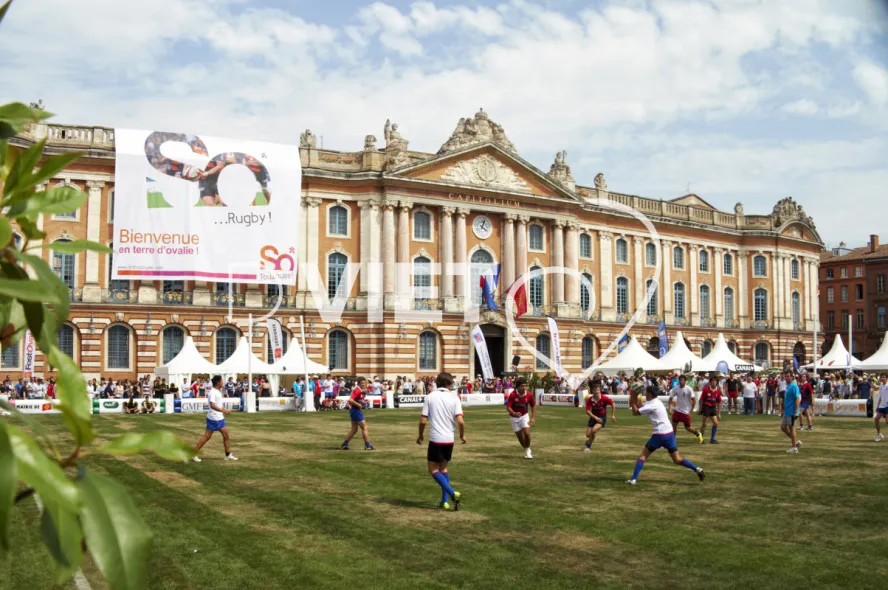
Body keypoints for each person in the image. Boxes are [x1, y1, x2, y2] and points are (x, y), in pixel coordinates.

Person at [627, 385, 705, 485]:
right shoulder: (656, 402)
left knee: (643, 456)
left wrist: (633, 396)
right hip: (669, 434)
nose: (645, 394)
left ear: (649, 394)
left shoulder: (651, 405)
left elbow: (635, 412)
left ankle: (633, 479)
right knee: (677, 459)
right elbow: (639, 407)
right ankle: (697, 469)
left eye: (646, 392)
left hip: (659, 435)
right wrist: (635, 397)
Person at [417, 372, 466, 510]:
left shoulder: (430, 397)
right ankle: (444, 501)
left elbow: (423, 420)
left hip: (436, 438)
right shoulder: (454, 398)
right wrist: (462, 436)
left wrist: (420, 435)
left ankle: (452, 493)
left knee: (432, 469)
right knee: (443, 468)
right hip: (449, 439)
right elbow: (461, 421)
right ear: (449, 384)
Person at [193, 375, 238, 462]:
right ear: (218, 382)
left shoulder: (217, 391)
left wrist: (225, 410)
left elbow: (218, 405)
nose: (223, 382)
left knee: (223, 436)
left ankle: (228, 454)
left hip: (217, 417)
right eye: (222, 381)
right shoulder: (213, 392)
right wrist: (223, 411)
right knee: (209, 436)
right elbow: (212, 405)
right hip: (215, 418)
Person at [340, 377, 375, 451]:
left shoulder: (359, 390)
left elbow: (357, 400)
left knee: (354, 430)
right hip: (356, 411)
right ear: (358, 383)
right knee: (364, 428)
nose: (363, 384)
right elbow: (350, 399)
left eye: (364, 383)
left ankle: (344, 444)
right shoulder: (357, 390)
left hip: (354, 410)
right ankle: (367, 445)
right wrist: (358, 405)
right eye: (362, 383)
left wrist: (364, 402)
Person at [506, 377, 536, 460]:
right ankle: (526, 448)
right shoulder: (512, 395)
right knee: (520, 437)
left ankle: (528, 448)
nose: (524, 388)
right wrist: (514, 413)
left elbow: (533, 406)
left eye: (525, 386)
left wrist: (533, 418)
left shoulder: (529, 395)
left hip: (524, 416)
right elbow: (508, 407)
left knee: (526, 433)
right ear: (518, 387)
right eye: (522, 386)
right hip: (514, 418)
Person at [668, 375, 703, 444]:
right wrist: (670, 408)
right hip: (677, 411)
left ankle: (698, 434)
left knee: (688, 428)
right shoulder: (675, 389)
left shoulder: (689, 389)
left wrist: (690, 412)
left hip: (686, 412)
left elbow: (694, 400)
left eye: (682, 380)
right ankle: (672, 441)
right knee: (673, 426)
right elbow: (670, 399)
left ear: (685, 381)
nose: (681, 381)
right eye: (680, 380)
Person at [584, 383, 615, 452]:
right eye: (595, 390)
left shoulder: (604, 398)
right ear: (592, 391)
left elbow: (612, 404)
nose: (597, 391)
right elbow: (587, 411)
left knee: (593, 430)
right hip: (594, 417)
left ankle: (588, 447)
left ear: (600, 390)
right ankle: (589, 441)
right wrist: (595, 418)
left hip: (602, 417)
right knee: (588, 434)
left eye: (598, 390)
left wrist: (612, 415)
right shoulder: (590, 399)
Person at [782, 372, 802, 453]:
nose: (786, 378)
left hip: (792, 411)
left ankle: (794, 448)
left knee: (791, 428)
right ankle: (796, 442)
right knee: (783, 427)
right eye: (785, 376)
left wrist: (795, 411)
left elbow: (797, 399)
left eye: (788, 376)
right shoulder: (788, 386)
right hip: (787, 411)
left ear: (792, 377)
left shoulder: (794, 386)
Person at [699, 376, 722, 444]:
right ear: (710, 382)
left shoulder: (718, 390)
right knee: (704, 424)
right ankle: (700, 439)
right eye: (712, 381)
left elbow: (719, 402)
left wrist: (719, 413)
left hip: (713, 407)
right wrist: (700, 409)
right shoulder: (706, 389)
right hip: (706, 407)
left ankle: (712, 439)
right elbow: (701, 399)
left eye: (715, 381)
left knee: (715, 423)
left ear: (717, 382)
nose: (714, 382)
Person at [875, 374, 888, 442]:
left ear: (886, 378)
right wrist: (878, 405)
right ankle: (879, 434)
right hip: (882, 405)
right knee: (876, 419)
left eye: (883, 377)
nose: (882, 378)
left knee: (887, 422)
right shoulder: (881, 386)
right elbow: (881, 396)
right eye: (881, 377)